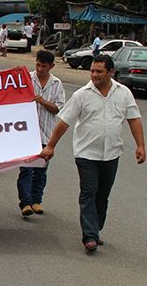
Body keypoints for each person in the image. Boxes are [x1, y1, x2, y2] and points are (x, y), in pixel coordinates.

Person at [40, 55, 145, 253]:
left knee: (102, 195)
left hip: (111, 153)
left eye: (99, 71)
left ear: (111, 72)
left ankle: (95, 229)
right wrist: (51, 146)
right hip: (86, 153)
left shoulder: (124, 93)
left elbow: (134, 119)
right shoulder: (82, 94)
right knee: (88, 192)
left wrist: (140, 146)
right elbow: (64, 121)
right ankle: (89, 235)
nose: (94, 75)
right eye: (92, 71)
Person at [17, 50, 65, 217]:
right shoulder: (26, 79)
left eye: (44, 66)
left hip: (46, 135)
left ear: (51, 66)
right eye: (38, 65)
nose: (40, 69)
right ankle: (25, 202)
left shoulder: (57, 84)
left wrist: (42, 101)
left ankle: (37, 200)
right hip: (26, 134)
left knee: (40, 170)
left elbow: (58, 108)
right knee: (25, 170)